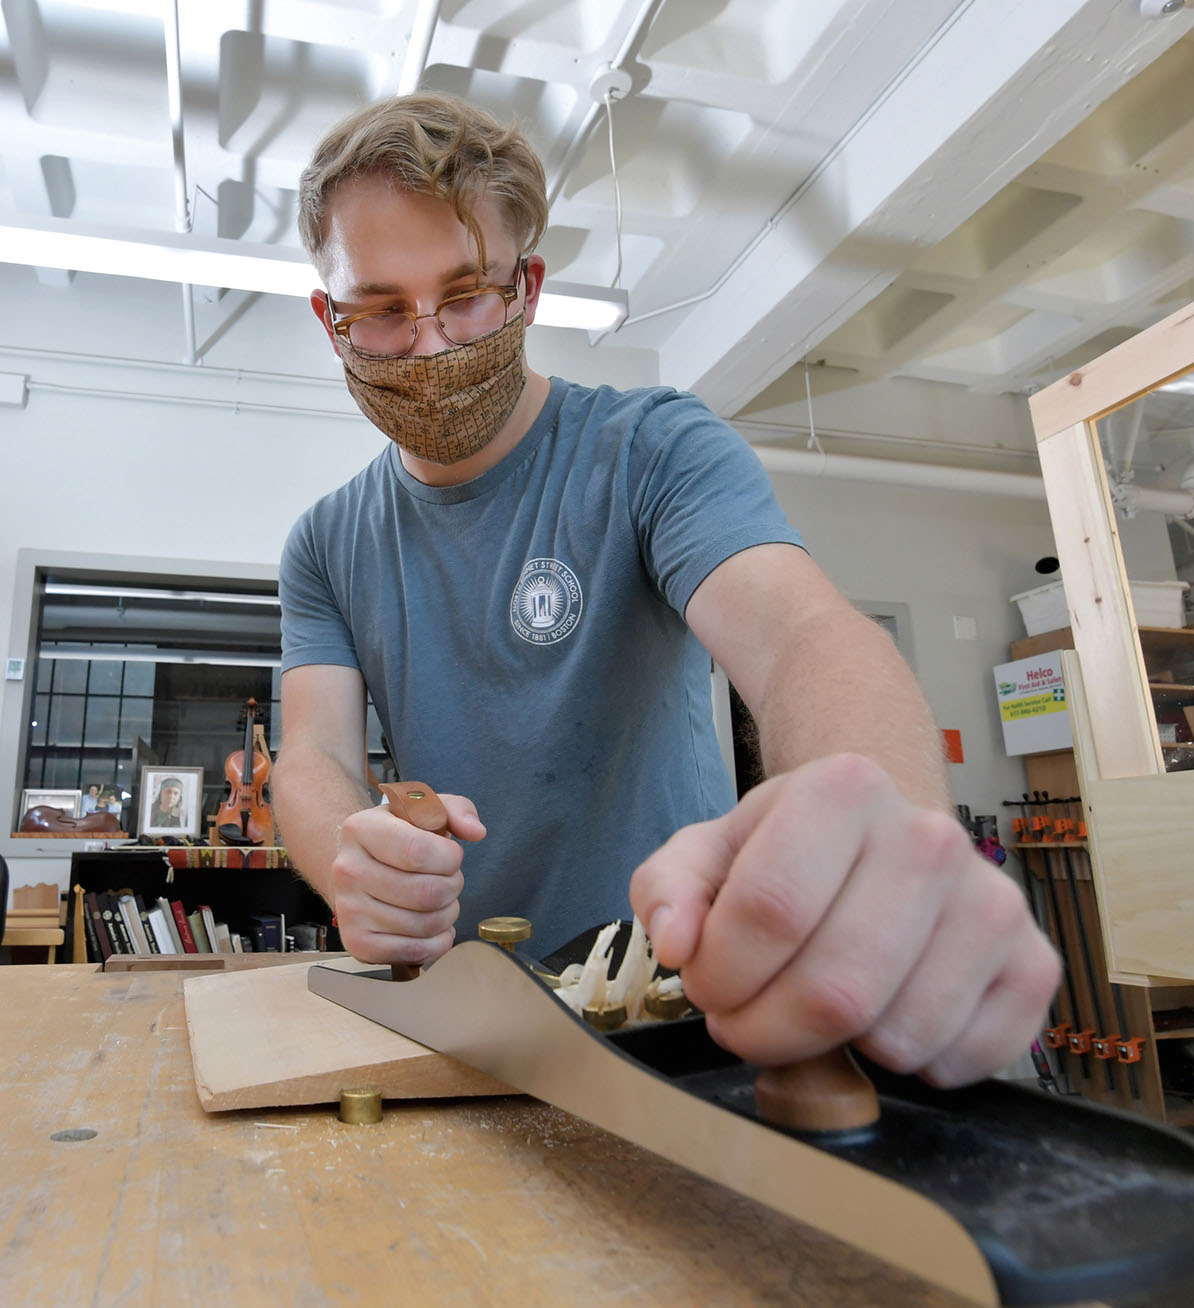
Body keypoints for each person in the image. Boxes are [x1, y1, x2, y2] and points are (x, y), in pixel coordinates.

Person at [272, 92, 1059, 1089]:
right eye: (381, 309)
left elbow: (803, 635)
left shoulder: (653, 451)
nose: (428, 346)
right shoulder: (326, 542)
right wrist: (353, 852)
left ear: (528, 290)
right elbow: (310, 755)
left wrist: (887, 831)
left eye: (466, 293)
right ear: (327, 318)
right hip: (472, 1019)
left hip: (681, 1003)